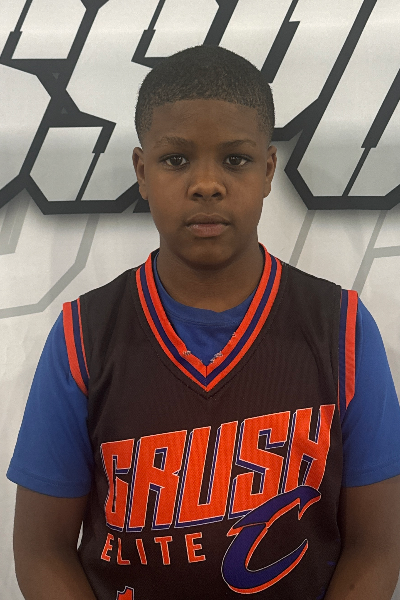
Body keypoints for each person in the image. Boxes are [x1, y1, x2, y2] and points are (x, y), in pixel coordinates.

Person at [7, 45, 400, 600]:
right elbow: (40, 550)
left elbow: (378, 545)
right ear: (142, 172)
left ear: (268, 171)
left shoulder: (342, 328)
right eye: (176, 160)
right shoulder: (83, 335)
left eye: (235, 160)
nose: (207, 184)